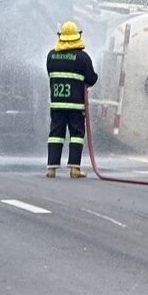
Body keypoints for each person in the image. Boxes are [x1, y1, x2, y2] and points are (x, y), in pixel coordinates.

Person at [46, 20, 98, 179]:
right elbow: (91, 78)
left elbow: (50, 74)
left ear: (61, 37)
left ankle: (51, 168)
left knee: (55, 133)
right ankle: (75, 168)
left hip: (57, 104)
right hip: (76, 105)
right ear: (77, 36)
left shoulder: (51, 55)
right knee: (76, 134)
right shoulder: (82, 58)